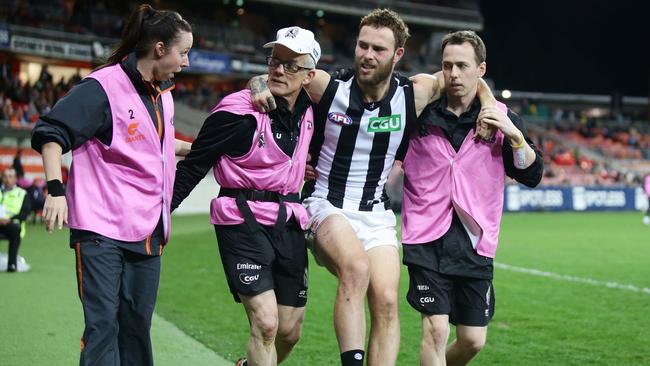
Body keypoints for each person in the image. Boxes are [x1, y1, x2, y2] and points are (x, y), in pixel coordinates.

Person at [249, 9, 495, 366]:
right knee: (356, 269)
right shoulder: (326, 86)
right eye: (362, 45)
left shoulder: (415, 93)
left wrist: (487, 104)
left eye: (378, 49)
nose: (367, 54)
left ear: (397, 55)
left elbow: (469, 78)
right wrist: (257, 88)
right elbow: (274, 74)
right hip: (326, 205)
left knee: (387, 300)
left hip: (376, 213)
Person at [30, 4, 193, 365]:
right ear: (160, 48)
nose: (186, 62)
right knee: (103, 327)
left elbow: (161, 145)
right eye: (183, 52)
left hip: (148, 229)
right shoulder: (103, 87)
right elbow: (52, 133)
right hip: (102, 231)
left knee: (135, 327)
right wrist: (56, 190)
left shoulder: (162, 94)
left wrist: (208, 150)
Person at [171, 26, 319, 366]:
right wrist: (160, 217)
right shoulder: (235, 112)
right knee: (266, 324)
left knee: (289, 331)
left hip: (289, 222)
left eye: (291, 65)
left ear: (309, 75)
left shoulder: (313, 110)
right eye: (274, 61)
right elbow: (193, 167)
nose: (279, 70)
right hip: (241, 220)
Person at [400, 30, 544, 366]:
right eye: (447, 65)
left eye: (462, 66)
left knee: (473, 340)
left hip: (474, 242)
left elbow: (532, 176)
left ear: (480, 70)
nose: (453, 74)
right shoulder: (419, 111)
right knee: (435, 330)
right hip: (426, 237)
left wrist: (516, 138)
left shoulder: (499, 118)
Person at [0, 167, 31, 272]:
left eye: (10, 176)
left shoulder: (22, 193)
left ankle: (12, 264)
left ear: (15, 179)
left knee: (15, 229)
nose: (7, 179)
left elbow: (25, 213)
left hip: (12, 225)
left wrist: (9, 220)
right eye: (5, 176)